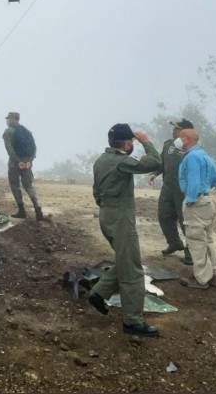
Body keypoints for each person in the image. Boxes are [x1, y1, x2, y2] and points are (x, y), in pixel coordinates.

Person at [85, 124, 162, 337]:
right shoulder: (121, 162)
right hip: (120, 219)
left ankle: (99, 293)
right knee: (133, 272)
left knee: (125, 261)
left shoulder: (101, 160)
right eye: (132, 143)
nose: (132, 146)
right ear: (126, 143)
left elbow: (96, 191)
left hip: (106, 215)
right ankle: (133, 322)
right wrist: (146, 141)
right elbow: (155, 162)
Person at [177, 128, 216, 289]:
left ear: (186, 139)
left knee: (196, 241)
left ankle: (202, 279)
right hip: (208, 201)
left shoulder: (191, 157)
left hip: (196, 202)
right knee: (208, 239)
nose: (177, 141)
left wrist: (191, 199)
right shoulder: (205, 156)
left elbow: (194, 180)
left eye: (179, 137)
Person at [148, 119, 193, 266]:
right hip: (167, 188)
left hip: (184, 190)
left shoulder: (191, 148)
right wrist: (155, 173)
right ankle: (174, 243)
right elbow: (162, 162)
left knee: (186, 221)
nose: (174, 131)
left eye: (177, 129)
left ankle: (190, 252)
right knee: (164, 216)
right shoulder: (168, 144)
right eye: (174, 128)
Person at [2, 112, 44, 220]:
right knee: (28, 186)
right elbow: (34, 148)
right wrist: (30, 161)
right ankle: (37, 209)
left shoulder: (8, 132)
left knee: (14, 185)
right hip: (27, 163)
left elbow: (9, 149)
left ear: (13, 119)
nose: (7, 121)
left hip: (15, 163)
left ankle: (22, 211)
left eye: (9, 119)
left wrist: (17, 161)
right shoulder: (27, 131)